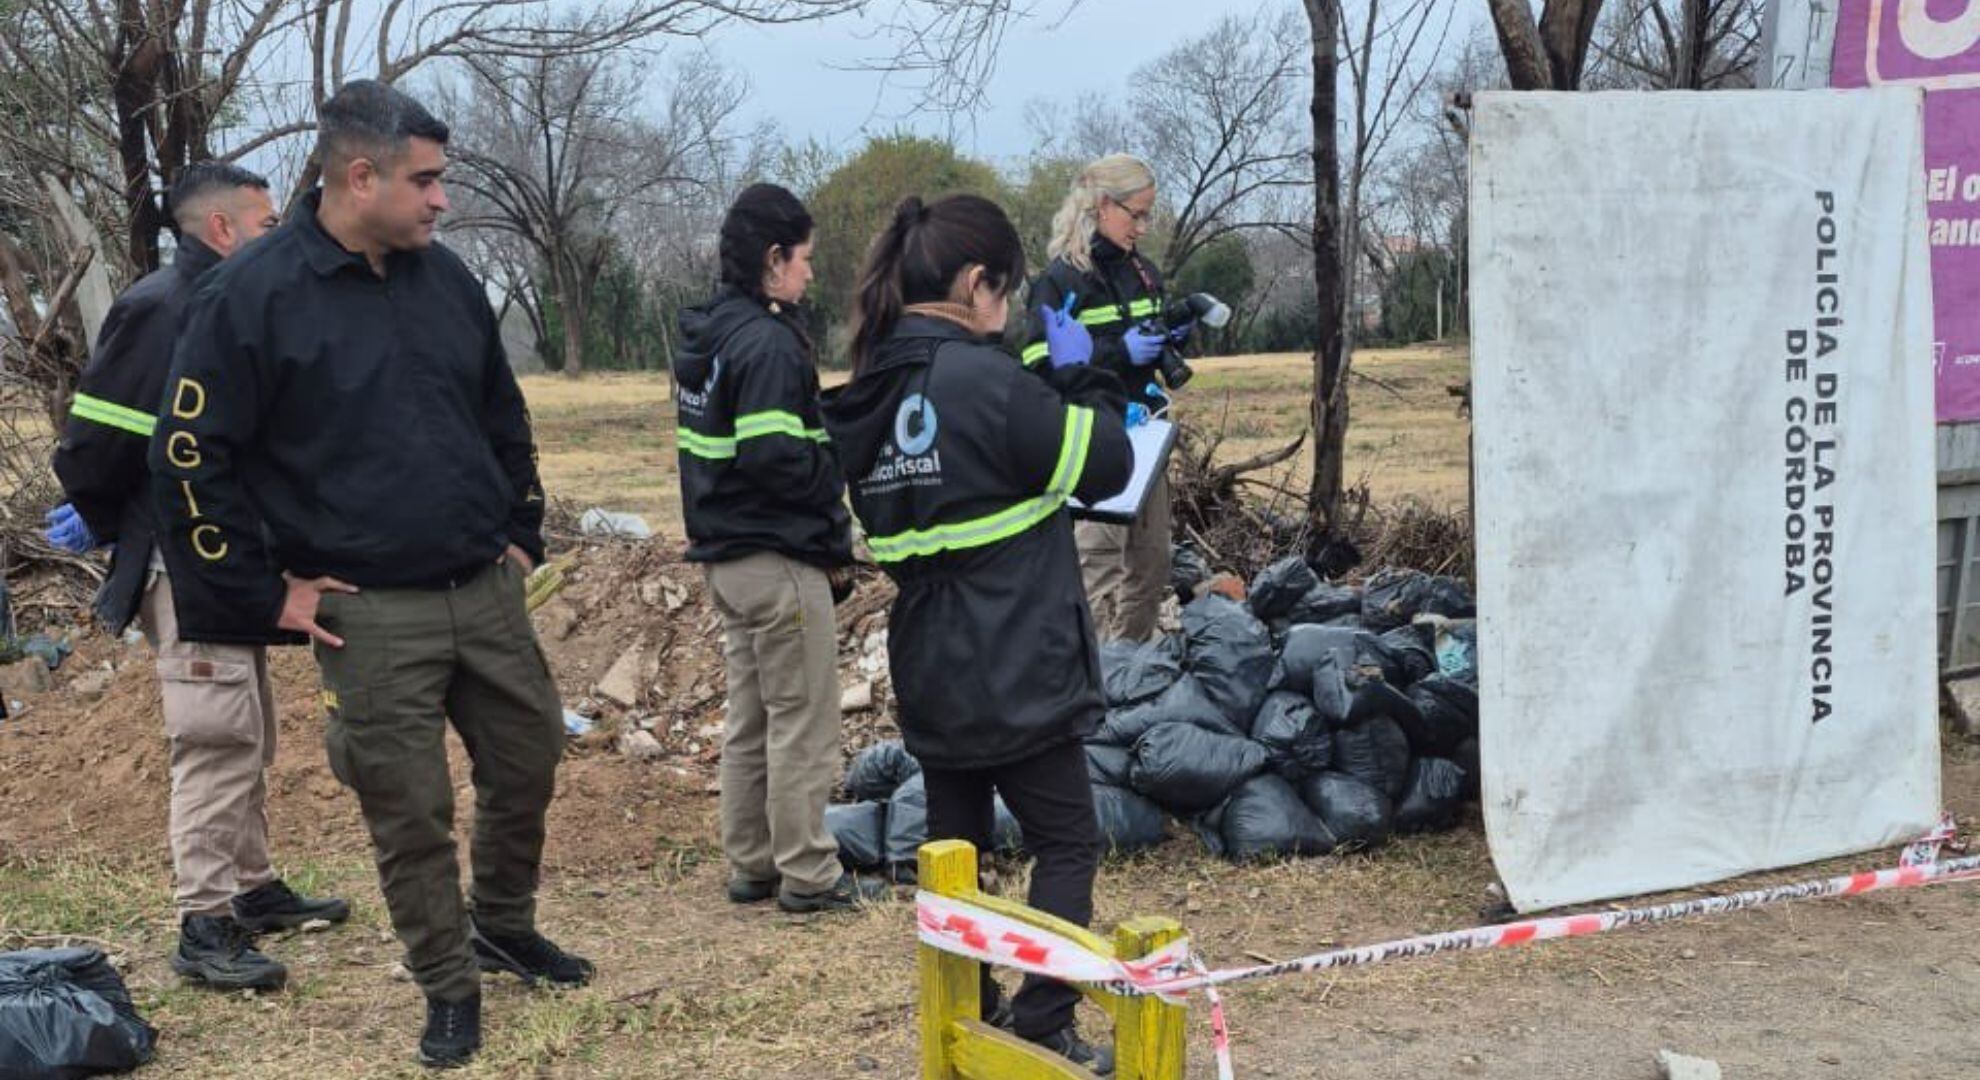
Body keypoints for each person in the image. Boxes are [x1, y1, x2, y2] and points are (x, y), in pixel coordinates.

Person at [148, 80, 587, 1070]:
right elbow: (188, 459)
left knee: (529, 762)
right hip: (369, 614)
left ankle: (503, 924)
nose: (441, 200)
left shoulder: (448, 279)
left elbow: (499, 411)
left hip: (483, 587)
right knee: (410, 809)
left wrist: (520, 529)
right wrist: (268, 594)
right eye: (425, 181)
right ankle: (448, 984)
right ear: (360, 175)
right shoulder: (250, 295)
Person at [821, 193, 1132, 1074]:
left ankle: (966, 1007)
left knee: (953, 850)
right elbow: (1107, 463)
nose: (1008, 311)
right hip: (1019, 655)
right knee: (1068, 840)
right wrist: (1080, 375)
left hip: (931, 654)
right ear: (975, 282)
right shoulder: (987, 382)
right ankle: (1041, 1022)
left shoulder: (872, 389)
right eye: (1008, 292)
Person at [48, 162, 347, 993]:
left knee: (247, 728)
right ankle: (204, 921)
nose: (276, 241)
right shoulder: (162, 310)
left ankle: (250, 889)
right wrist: (125, 527)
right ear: (220, 232)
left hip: (231, 563)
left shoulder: (231, 308)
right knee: (214, 736)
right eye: (262, 225)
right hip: (181, 562)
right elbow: (91, 449)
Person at [675, 183, 878, 914]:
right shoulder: (766, 343)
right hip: (775, 559)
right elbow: (777, 462)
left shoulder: (713, 334)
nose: (812, 274)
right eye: (805, 258)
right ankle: (808, 875)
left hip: (726, 560)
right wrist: (837, 503)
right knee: (804, 721)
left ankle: (752, 863)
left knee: (752, 717)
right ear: (772, 259)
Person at [1017, 154, 1193, 643]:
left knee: (1153, 562)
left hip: (1146, 436)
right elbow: (1040, 370)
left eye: (1148, 215)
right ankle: (1090, 682)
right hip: (1092, 437)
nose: (1142, 226)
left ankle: (1129, 666)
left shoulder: (1144, 273)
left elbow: (1156, 349)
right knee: (1096, 566)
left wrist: (1175, 339)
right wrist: (1119, 351)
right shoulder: (1061, 280)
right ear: (1100, 205)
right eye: (1134, 214)